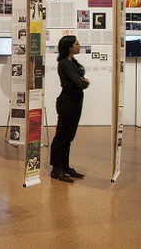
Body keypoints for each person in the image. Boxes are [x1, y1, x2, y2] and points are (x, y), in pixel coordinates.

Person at [50, 35, 90, 183]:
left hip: (75, 102)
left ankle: (65, 167)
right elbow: (81, 84)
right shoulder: (64, 64)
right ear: (69, 47)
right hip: (67, 102)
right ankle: (56, 169)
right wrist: (84, 82)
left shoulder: (73, 62)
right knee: (61, 136)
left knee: (69, 137)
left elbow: (79, 80)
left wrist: (82, 81)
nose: (79, 46)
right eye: (76, 44)